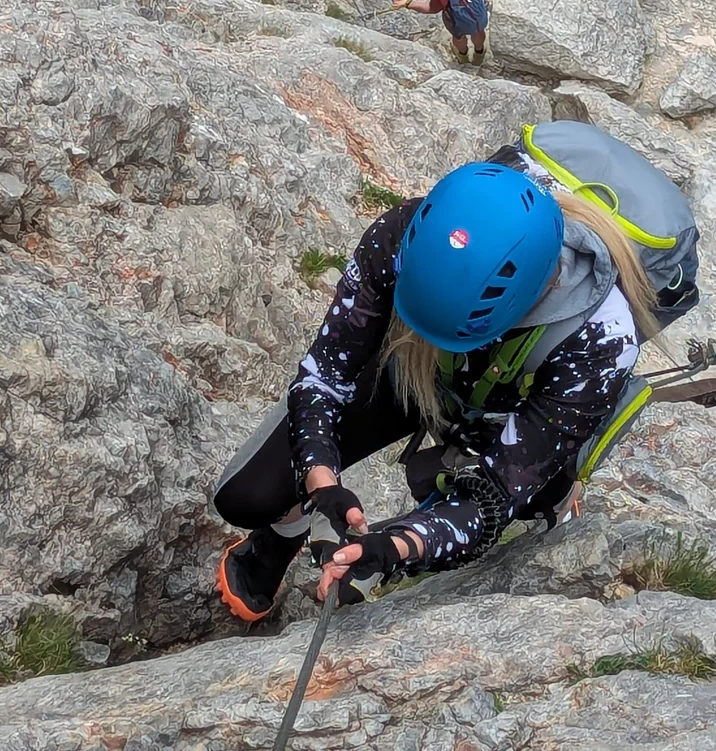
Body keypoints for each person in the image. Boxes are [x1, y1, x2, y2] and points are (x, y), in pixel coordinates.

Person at [212, 147, 678, 621]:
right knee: (248, 494)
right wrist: (321, 482)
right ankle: (283, 535)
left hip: (521, 399)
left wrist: (398, 548)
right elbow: (325, 375)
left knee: (527, 493)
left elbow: (496, 489)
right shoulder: (404, 235)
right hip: (416, 364)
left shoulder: (601, 337)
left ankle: (556, 493)